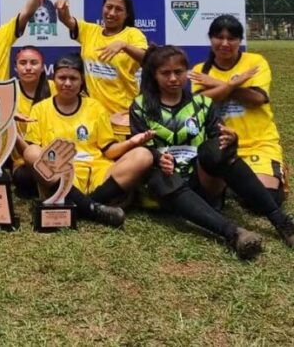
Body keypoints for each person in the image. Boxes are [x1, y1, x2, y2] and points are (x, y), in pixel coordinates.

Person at [130, 45, 294, 258]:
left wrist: (231, 141)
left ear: (186, 72)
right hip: (167, 189)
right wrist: (158, 158)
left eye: (178, 72)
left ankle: (282, 224)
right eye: (165, 73)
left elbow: (219, 140)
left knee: (216, 148)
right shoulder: (140, 106)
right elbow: (140, 148)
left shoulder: (203, 103)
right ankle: (234, 234)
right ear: (154, 75)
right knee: (160, 176)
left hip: (202, 183)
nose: (173, 78)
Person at [22, 54, 155, 227]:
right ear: (53, 79)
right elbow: (37, 154)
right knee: (31, 152)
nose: (67, 83)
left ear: (82, 81)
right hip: (63, 175)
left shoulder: (95, 107)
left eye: (73, 78)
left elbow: (108, 150)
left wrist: (132, 143)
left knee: (143, 155)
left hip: (97, 173)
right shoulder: (40, 109)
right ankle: (93, 209)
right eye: (62, 78)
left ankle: (83, 205)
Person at [188, 15, 286, 205]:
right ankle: (235, 181)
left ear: (240, 41)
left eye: (231, 38)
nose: (225, 43)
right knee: (208, 196)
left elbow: (258, 98)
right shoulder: (201, 70)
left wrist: (218, 84)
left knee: (265, 201)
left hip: (259, 143)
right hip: (224, 146)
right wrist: (235, 84)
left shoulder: (255, 62)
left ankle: (270, 174)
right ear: (210, 39)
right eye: (219, 37)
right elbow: (200, 102)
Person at [56, 0, 147, 125]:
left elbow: (148, 58)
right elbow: (66, 19)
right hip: (92, 116)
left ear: (127, 14)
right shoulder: (90, 31)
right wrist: (62, 5)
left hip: (123, 116)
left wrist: (124, 46)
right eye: (108, 7)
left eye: (118, 9)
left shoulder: (133, 34)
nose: (111, 13)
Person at [10, 46, 55, 198]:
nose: (28, 68)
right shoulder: (8, 92)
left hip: (55, 156)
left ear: (43, 67)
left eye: (34, 63)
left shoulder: (56, 88)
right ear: (16, 68)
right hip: (23, 160)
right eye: (23, 63)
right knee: (23, 179)